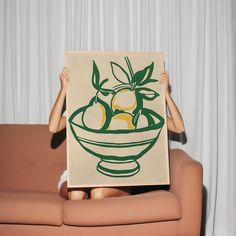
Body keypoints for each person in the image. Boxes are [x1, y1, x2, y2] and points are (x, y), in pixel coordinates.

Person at [48, 66, 185, 200]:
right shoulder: (94, 114)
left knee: (98, 193)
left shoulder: (140, 120)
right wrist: (63, 90)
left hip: (115, 177)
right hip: (80, 172)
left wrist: (166, 93)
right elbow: (54, 127)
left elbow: (179, 127)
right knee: (75, 194)